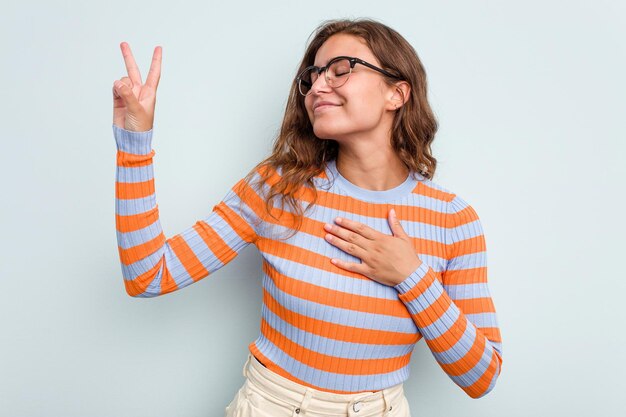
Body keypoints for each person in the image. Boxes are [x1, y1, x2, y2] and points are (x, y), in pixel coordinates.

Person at [111, 18, 503, 417]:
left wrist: (412, 276)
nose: (316, 88)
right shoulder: (277, 188)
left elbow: (481, 377)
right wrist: (135, 144)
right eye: (312, 77)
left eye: (340, 69)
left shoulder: (453, 221)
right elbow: (149, 274)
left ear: (396, 93)